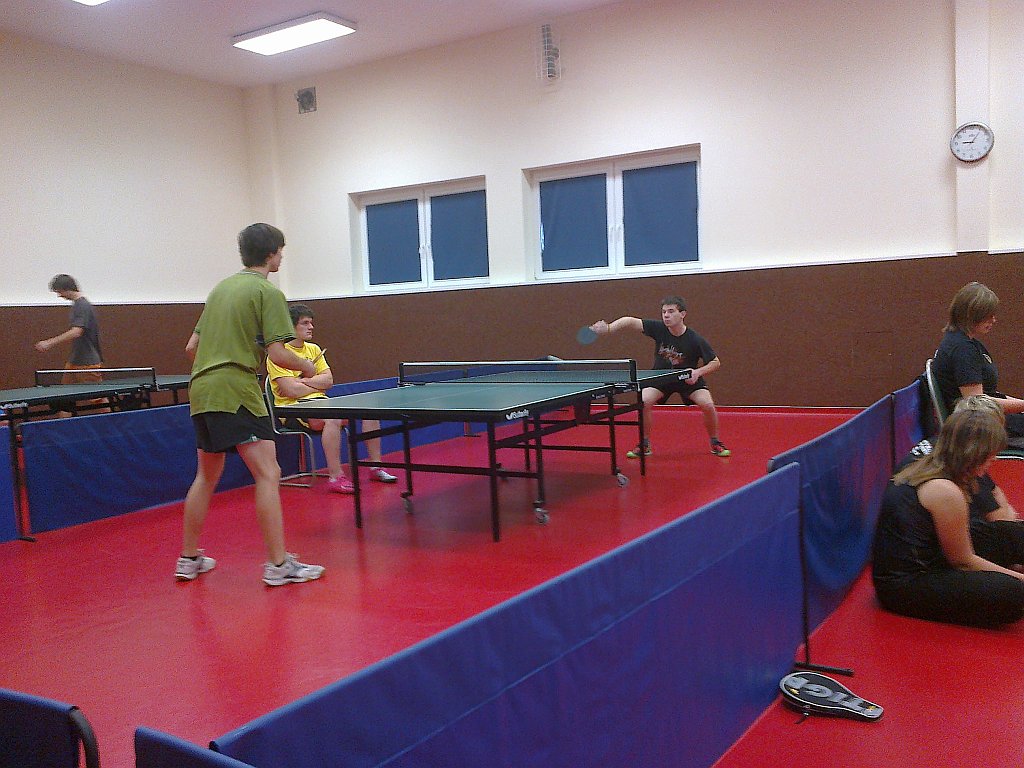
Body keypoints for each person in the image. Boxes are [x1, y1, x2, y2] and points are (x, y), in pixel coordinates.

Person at [177, 223, 324, 587]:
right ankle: (279, 565)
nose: (281, 258)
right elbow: (278, 353)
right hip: (236, 389)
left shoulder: (220, 290)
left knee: (206, 476)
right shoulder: (266, 291)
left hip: (202, 389)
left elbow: (191, 348)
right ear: (271, 253)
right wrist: (307, 366)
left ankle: (188, 559)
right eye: (281, 252)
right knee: (269, 473)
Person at [872, 400, 1024, 627]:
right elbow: (963, 561)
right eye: (990, 457)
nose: (992, 462)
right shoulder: (944, 491)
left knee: (1014, 533)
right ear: (974, 454)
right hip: (906, 583)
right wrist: (1018, 578)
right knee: (1014, 594)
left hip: (933, 552)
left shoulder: (940, 458)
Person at [268, 304, 398, 493]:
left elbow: (328, 381)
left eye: (311, 323)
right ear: (291, 327)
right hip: (293, 410)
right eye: (305, 323)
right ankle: (336, 477)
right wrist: (314, 382)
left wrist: (303, 381)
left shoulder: (313, 349)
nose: (311, 327)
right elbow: (291, 391)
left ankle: (375, 467)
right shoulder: (279, 355)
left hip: (321, 403)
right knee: (333, 418)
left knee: (369, 411)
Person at [589, 295, 730, 458]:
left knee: (708, 405)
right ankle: (644, 444)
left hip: (687, 380)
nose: (666, 315)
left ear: (682, 314)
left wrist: (697, 372)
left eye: (671, 311)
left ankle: (715, 442)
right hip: (661, 379)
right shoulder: (659, 329)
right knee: (644, 402)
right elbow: (630, 321)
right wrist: (609, 328)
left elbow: (715, 362)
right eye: (664, 312)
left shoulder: (695, 339)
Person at [931, 281, 1024, 440]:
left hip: (984, 418)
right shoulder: (962, 349)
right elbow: (976, 404)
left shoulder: (963, 342)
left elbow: (989, 395)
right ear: (972, 315)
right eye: (988, 315)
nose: (993, 320)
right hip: (977, 426)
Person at [33, 274, 107, 415]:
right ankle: (65, 425)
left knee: (98, 399)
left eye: (60, 292)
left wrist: (49, 342)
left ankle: (112, 423)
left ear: (67, 288)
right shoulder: (77, 305)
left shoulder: (82, 305)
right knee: (65, 398)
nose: (59, 295)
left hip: (87, 363)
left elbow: (77, 331)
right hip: (74, 361)